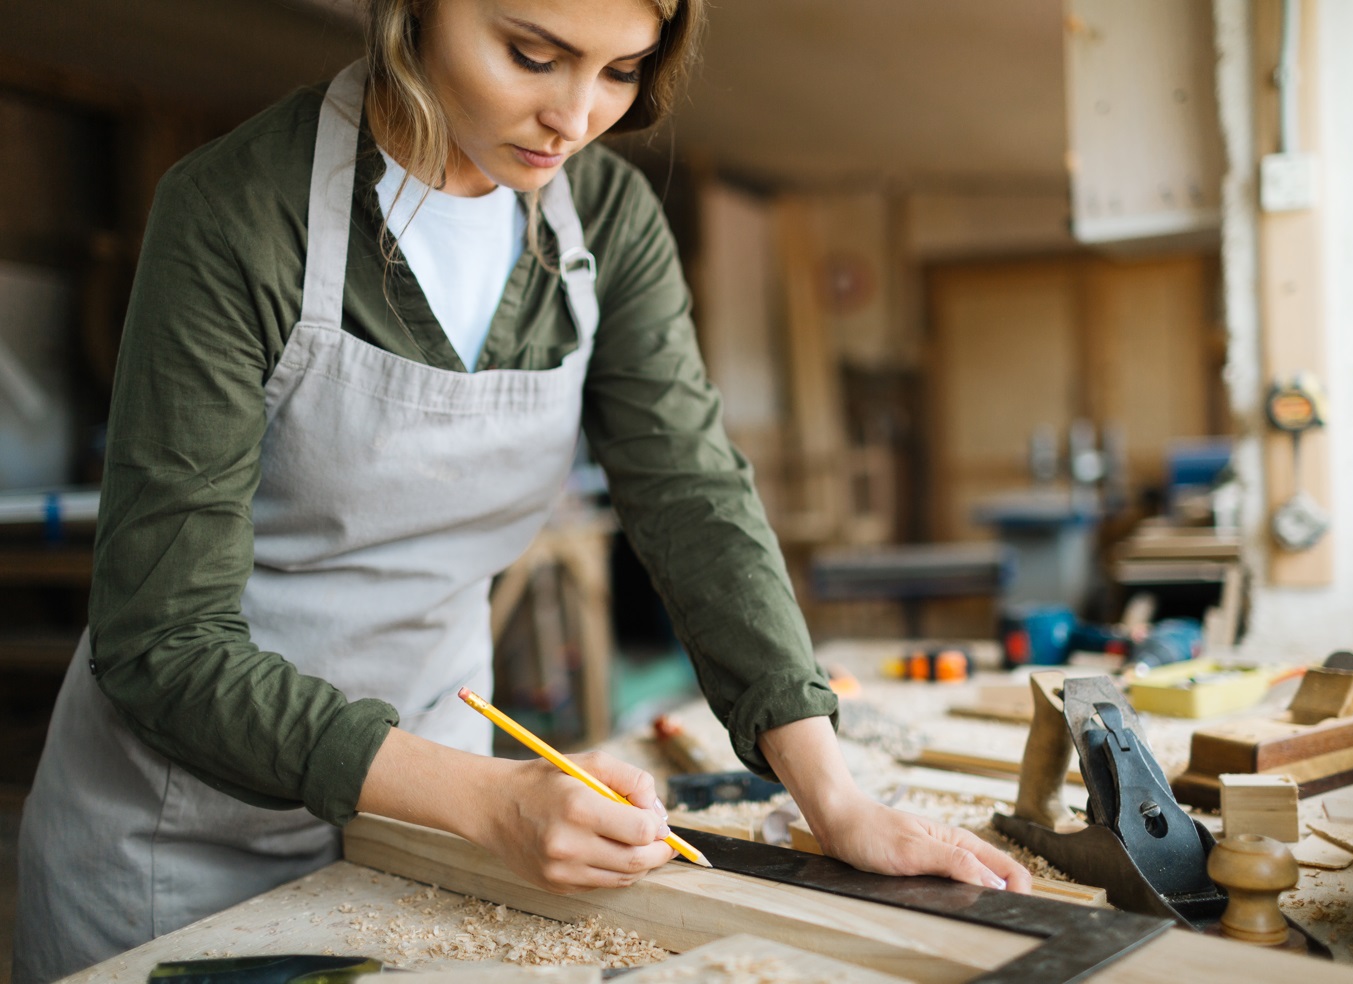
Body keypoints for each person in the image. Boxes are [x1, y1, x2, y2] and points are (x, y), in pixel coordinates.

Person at [14, 0, 1031, 978]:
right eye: (532, 55)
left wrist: (834, 798)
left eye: (622, 70)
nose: (576, 115)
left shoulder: (607, 223)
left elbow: (692, 495)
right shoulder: (238, 210)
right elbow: (161, 641)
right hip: (186, 829)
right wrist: (488, 801)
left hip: (435, 811)